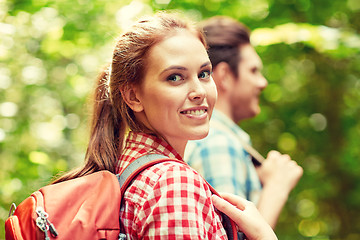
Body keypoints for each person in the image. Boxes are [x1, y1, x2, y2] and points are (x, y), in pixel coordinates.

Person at [52, 12, 276, 239]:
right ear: (133, 96)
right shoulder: (173, 183)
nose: (199, 91)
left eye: (204, 74)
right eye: (175, 77)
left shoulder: (127, 171)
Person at [185, 16, 303, 229]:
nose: (263, 82)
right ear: (225, 76)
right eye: (253, 71)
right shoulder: (218, 144)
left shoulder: (212, 139)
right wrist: (276, 189)